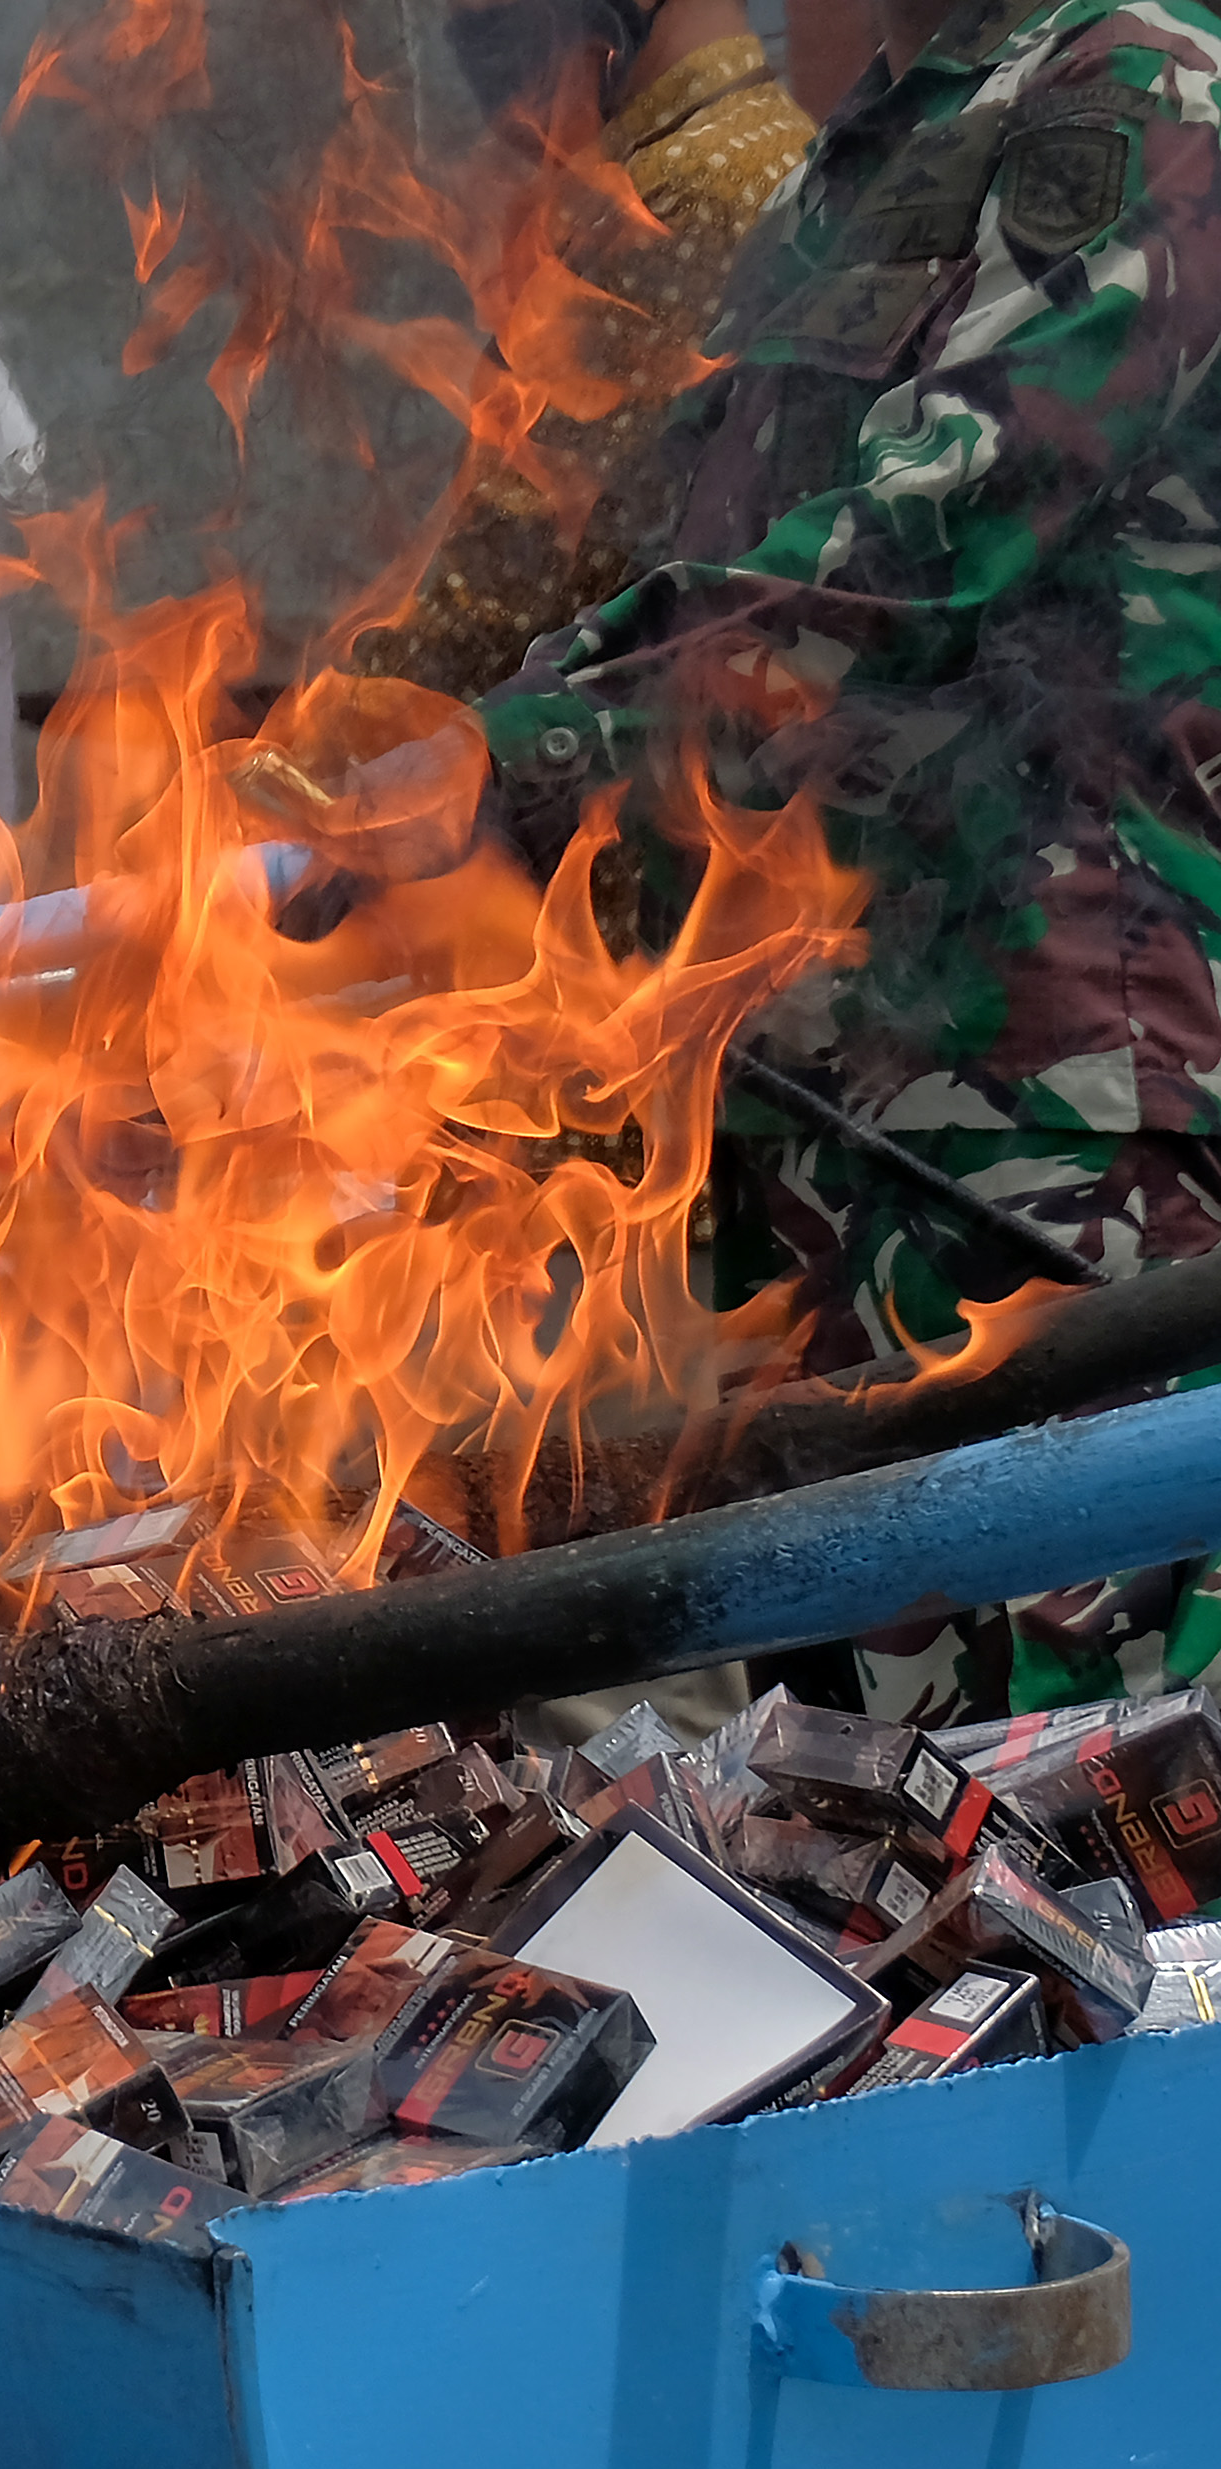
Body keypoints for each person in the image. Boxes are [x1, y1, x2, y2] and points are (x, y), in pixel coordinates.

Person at [309, 0, 1221, 1715]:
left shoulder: (1138, 84)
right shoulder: (859, 163)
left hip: (1043, 1083)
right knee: (849, 1790)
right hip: (809, 1097)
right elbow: (698, 558)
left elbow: (932, 528)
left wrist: (505, 757)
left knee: (1088, 1747)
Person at [355, 0, 817, 704]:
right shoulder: (736, 151)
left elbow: (518, 579)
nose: (475, 19)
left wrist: (338, 740)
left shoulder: (693, 188)